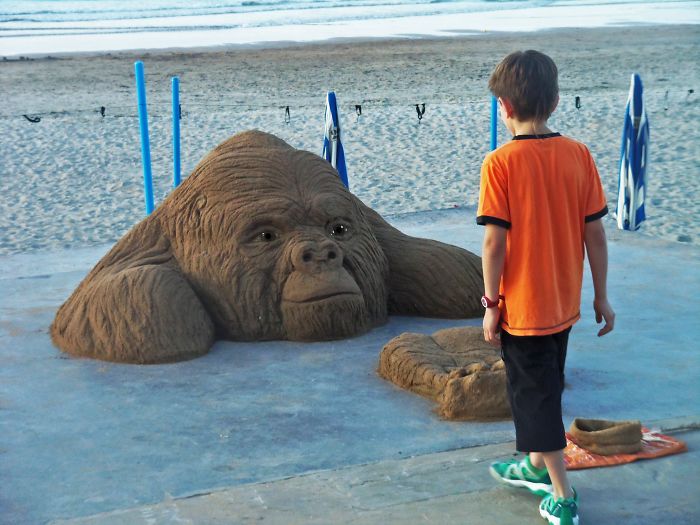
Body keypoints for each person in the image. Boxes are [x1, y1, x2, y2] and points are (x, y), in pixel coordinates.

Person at [476, 50, 615, 525]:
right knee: (542, 388)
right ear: (554, 102)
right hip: (563, 303)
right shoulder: (577, 155)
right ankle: (534, 464)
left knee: (534, 398)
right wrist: (600, 294)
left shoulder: (499, 163)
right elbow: (594, 232)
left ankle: (562, 493)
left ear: (505, 108)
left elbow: (495, 241)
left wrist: (491, 303)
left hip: (523, 308)